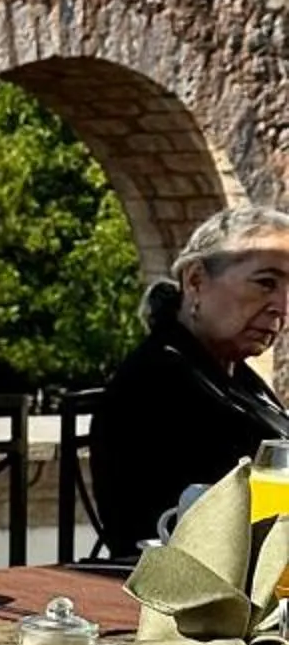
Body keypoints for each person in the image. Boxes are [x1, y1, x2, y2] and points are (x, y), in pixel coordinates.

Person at [90, 203, 289, 555]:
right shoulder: (156, 385)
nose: (282, 306)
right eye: (265, 283)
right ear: (195, 280)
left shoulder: (232, 376)